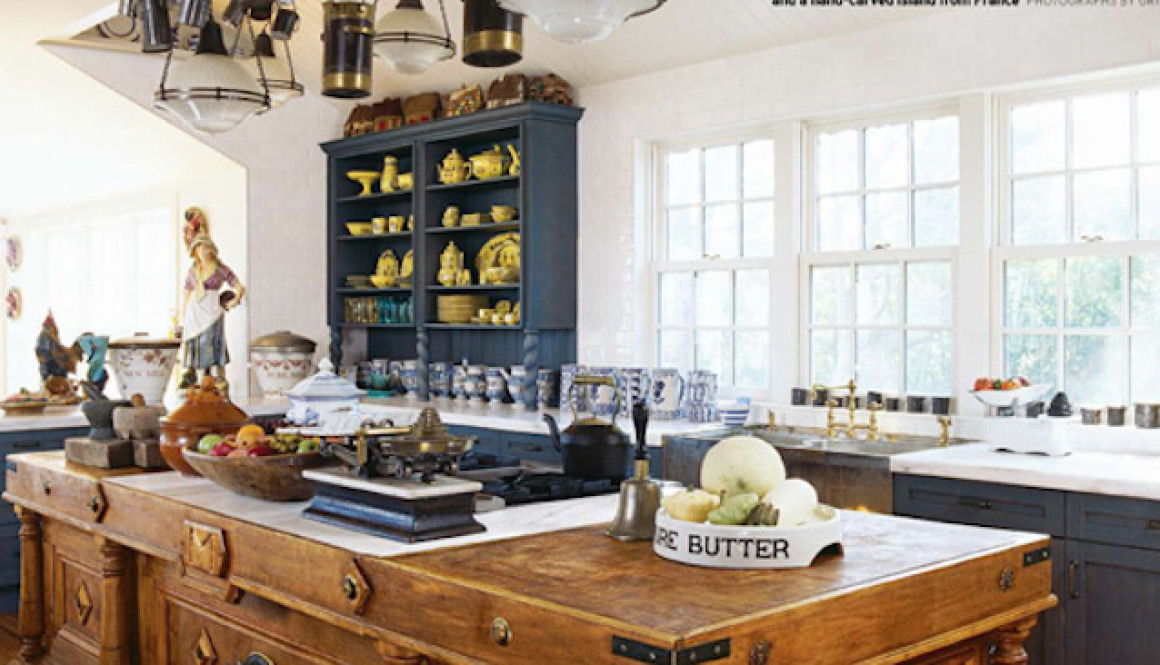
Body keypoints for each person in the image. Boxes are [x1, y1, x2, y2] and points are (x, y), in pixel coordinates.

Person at [180, 233, 245, 390]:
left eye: (206, 248)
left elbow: (238, 286)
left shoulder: (220, 269)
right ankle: (192, 374)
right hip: (195, 310)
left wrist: (235, 299)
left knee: (211, 340)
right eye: (200, 248)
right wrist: (183, 315)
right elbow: (187, 292)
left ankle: (216, 376)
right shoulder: (193, 270)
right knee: (194, 340)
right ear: (195, 252)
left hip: (212, 309)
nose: (203, 251)